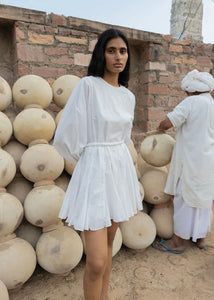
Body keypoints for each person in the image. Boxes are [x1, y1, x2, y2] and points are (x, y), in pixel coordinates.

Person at [53, 28, 142, 299]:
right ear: (101, 54)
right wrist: (90, 159)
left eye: (123, 51)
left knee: (110, 243)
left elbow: (124, 138)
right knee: (96, 260)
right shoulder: (88, 86)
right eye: (112, 50)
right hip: (94, 171)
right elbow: (65, 133)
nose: (118, 56)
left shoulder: (128, 96)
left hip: (118, 171)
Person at [152, 69, 214, 254]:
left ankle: (177, 241)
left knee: (184, 198)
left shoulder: (191, 102)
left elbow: (167, 123)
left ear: (191, 90)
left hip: (190, 161)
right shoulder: (211, 103)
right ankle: (200, 238)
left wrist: (159, 130)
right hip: (208, 160)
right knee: (203, 198)